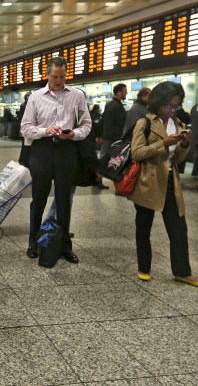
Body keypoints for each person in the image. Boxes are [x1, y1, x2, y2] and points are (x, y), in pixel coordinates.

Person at [128, 81, 198, 288]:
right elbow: (136, 152)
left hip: (171, 181)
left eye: (176, 106)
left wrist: (183, 144)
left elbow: (179, 159)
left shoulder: (178, 124)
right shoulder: (145, 123)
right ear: (158, 103)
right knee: (143, 226)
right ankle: (144, 267)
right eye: (169, 106)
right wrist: (162, 143)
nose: (172, 110)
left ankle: (182, 271)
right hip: (148, 181)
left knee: (178, 227)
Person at [20, 56, 91, 264]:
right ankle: (33, 241)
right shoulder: (35, 97)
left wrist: (74, 134)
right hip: (42, 149)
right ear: (47, 74)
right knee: (39, 198)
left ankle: (64, 245)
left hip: (66, 150)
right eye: (54, 76)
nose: (58, 81)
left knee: (63, 200)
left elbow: (86, 125)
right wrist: (45, 130)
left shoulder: (77, 96)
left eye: (62, 76)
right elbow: (25, 128)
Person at [99, 83, 127, 159]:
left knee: (104, 155)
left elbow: (103, 120)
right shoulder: (117, 106)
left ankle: (101, 169)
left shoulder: (110, 104)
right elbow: (119, 123)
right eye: (125, 91)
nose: (126, 93)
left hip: (107, 135)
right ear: (119, 93)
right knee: (110, 157)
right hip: (113, 137)